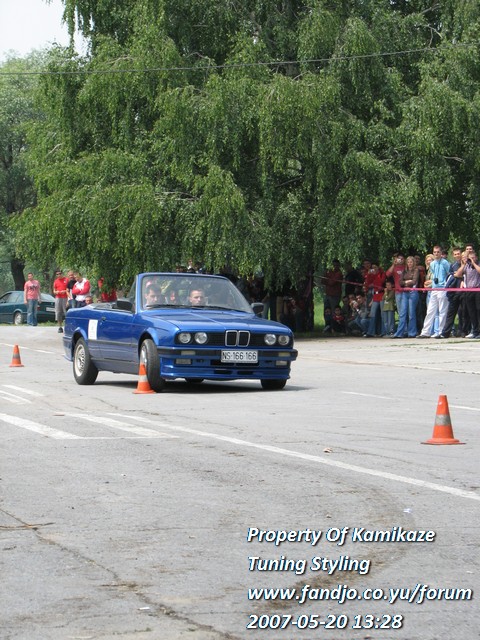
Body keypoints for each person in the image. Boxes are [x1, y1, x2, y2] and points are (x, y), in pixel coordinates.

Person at [417, 246, 450, 338]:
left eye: (438, 252)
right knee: (430, 310)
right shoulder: (432, 264)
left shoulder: (445, 263)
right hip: (434, 289)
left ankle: (441, 332)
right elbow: (434, 275)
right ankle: (425, 332)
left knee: (442, 311)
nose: (436, 254)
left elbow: (449, 274)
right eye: (434, 252)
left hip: (443, 289)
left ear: (441, 253)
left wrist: (446, 285)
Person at [438, 247, 465, 338]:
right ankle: (445, 333)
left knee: (462, 313)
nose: (457, 255)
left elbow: (461, 275)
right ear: (453, 255)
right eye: (455, 254)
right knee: (450, 313)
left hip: (463, 292)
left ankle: (462, 331)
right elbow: (455, 275)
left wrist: (460, 273)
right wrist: (459, 273)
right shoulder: (453, 265)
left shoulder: (467, 264)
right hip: (454, 292)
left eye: (458, 254)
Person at [453, 250, 480, 338]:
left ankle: (478, 331)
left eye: (473, 258)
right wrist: (463, 264)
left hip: (477, 290)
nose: (471, 259)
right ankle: (475, 331)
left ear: (476, 258)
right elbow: (457, 274)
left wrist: (473, 263)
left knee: (478, 311)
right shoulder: (466, 266)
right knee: (471, 312)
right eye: (470, 258)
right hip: (468, 291)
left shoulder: (478, 264)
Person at [393, 256, 419, 338]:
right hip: (404, 293)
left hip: (413, 293)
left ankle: (412, 333)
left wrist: (405, 282)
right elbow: (400, 282)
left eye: (411, 262)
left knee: (411, 313)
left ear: (413, 263)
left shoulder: (416, 270)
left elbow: (414, 281)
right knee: (402, 313)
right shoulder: (404, 271)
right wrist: (407, 282)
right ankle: (399, 333)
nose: (409, 263)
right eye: (408, 262)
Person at [364, 262, 386, 337]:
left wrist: (376, 275)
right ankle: (371, 332)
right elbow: (368, 284)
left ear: (378, 267)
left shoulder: (382, 274)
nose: (374, 269)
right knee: (372, 314)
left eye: (375, 267)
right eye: (373, 268)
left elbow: (381, 282)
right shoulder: (372, 274)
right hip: (375, 296)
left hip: (382, 294)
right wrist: (369, 275)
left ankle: (383, 332)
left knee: (383, 314)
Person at [53, 268, 68, 333]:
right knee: (58, 312)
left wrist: (64, 291)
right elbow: (54, 290)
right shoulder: (56, 281)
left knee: (66, 312)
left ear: (62, 273)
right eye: (57, 274)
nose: (58, 275)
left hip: (65, 297)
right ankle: (60, 327)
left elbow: (69, 289)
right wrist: (56, 292)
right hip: (58, 298)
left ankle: (67, 326)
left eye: (59, 274)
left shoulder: (66, 280)